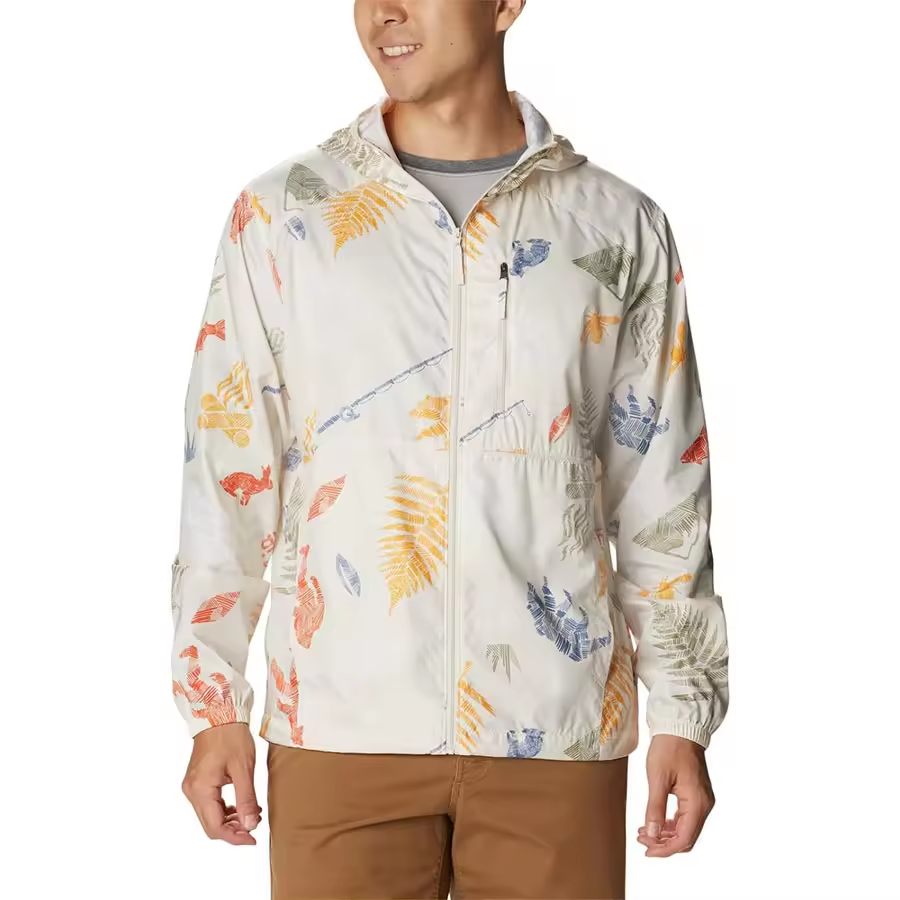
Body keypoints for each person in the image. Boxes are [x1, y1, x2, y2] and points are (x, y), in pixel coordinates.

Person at [170, 1, 729, 897]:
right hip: (340, 727)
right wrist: (212, 704)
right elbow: (229, 467)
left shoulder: (616, 226)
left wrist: (683, 714)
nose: (383, 12)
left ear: (505, 4)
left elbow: (662, 486)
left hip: (558, 731)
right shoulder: (283, 216)